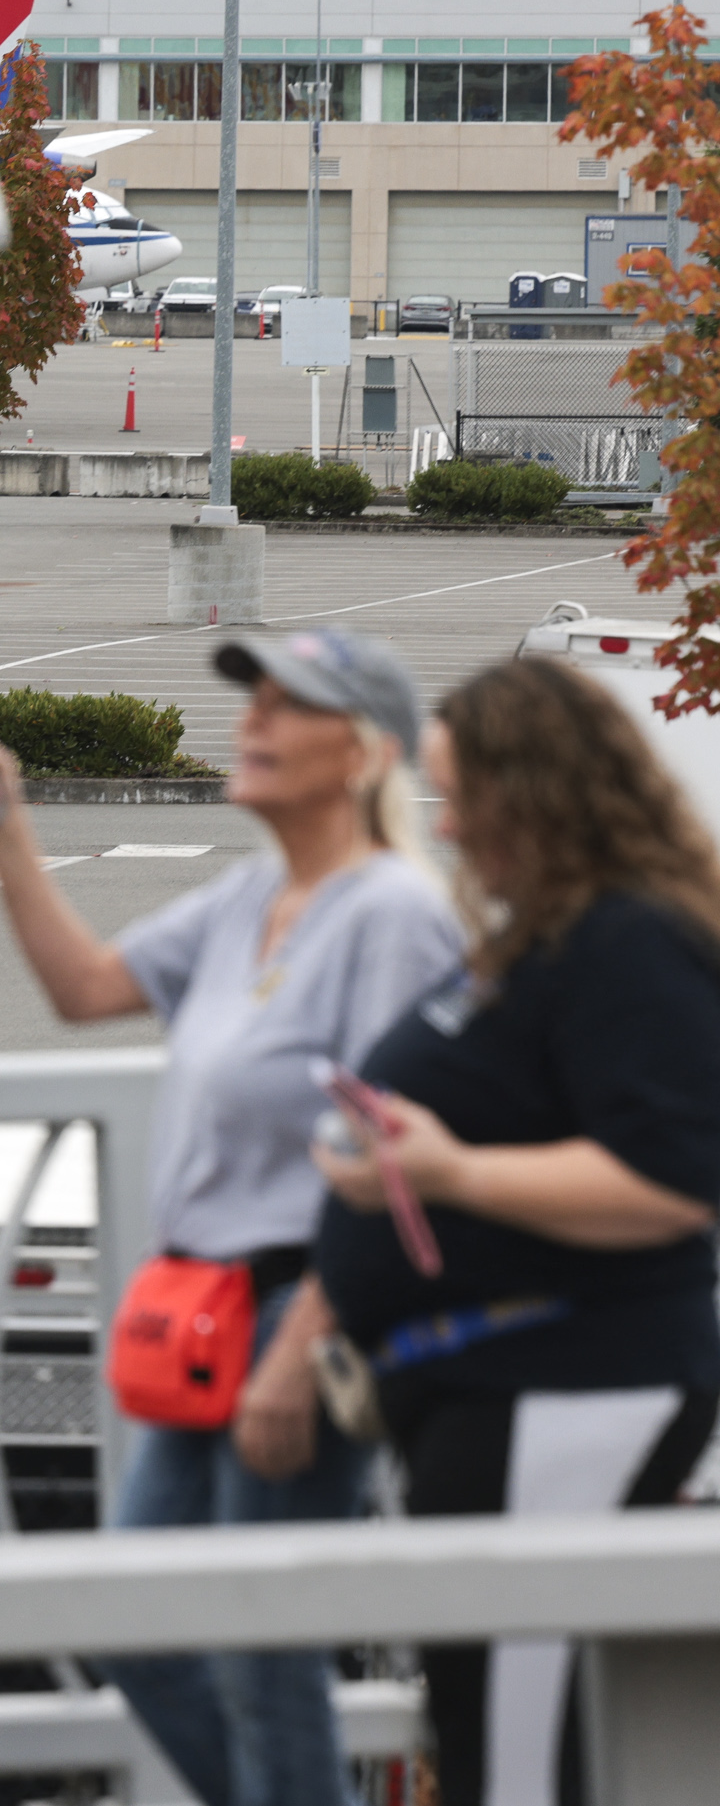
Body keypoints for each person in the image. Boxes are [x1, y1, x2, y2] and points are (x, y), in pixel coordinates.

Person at [0, 625, 461, 1806]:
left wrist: (300, 1344)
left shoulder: (394, 915)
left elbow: (393, 1157)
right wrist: (4, 835)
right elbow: (86, 990)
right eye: (254, 699)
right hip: (209, 1310)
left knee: (257, 1641)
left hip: (300, 1310)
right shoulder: (249, 898)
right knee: (145, 1620)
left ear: (365, 752)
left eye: (290, 706)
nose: (254, 721)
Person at [315, 657, 720, 1806]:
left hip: (567, 1377)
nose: (453, 828)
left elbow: (675, 1177)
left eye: (465, 797)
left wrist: (456, 1170)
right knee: (492, 1722)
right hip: (501, 1382)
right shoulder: (551, 935)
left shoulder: (629, 938)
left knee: (514, 1748)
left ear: (534, 793)